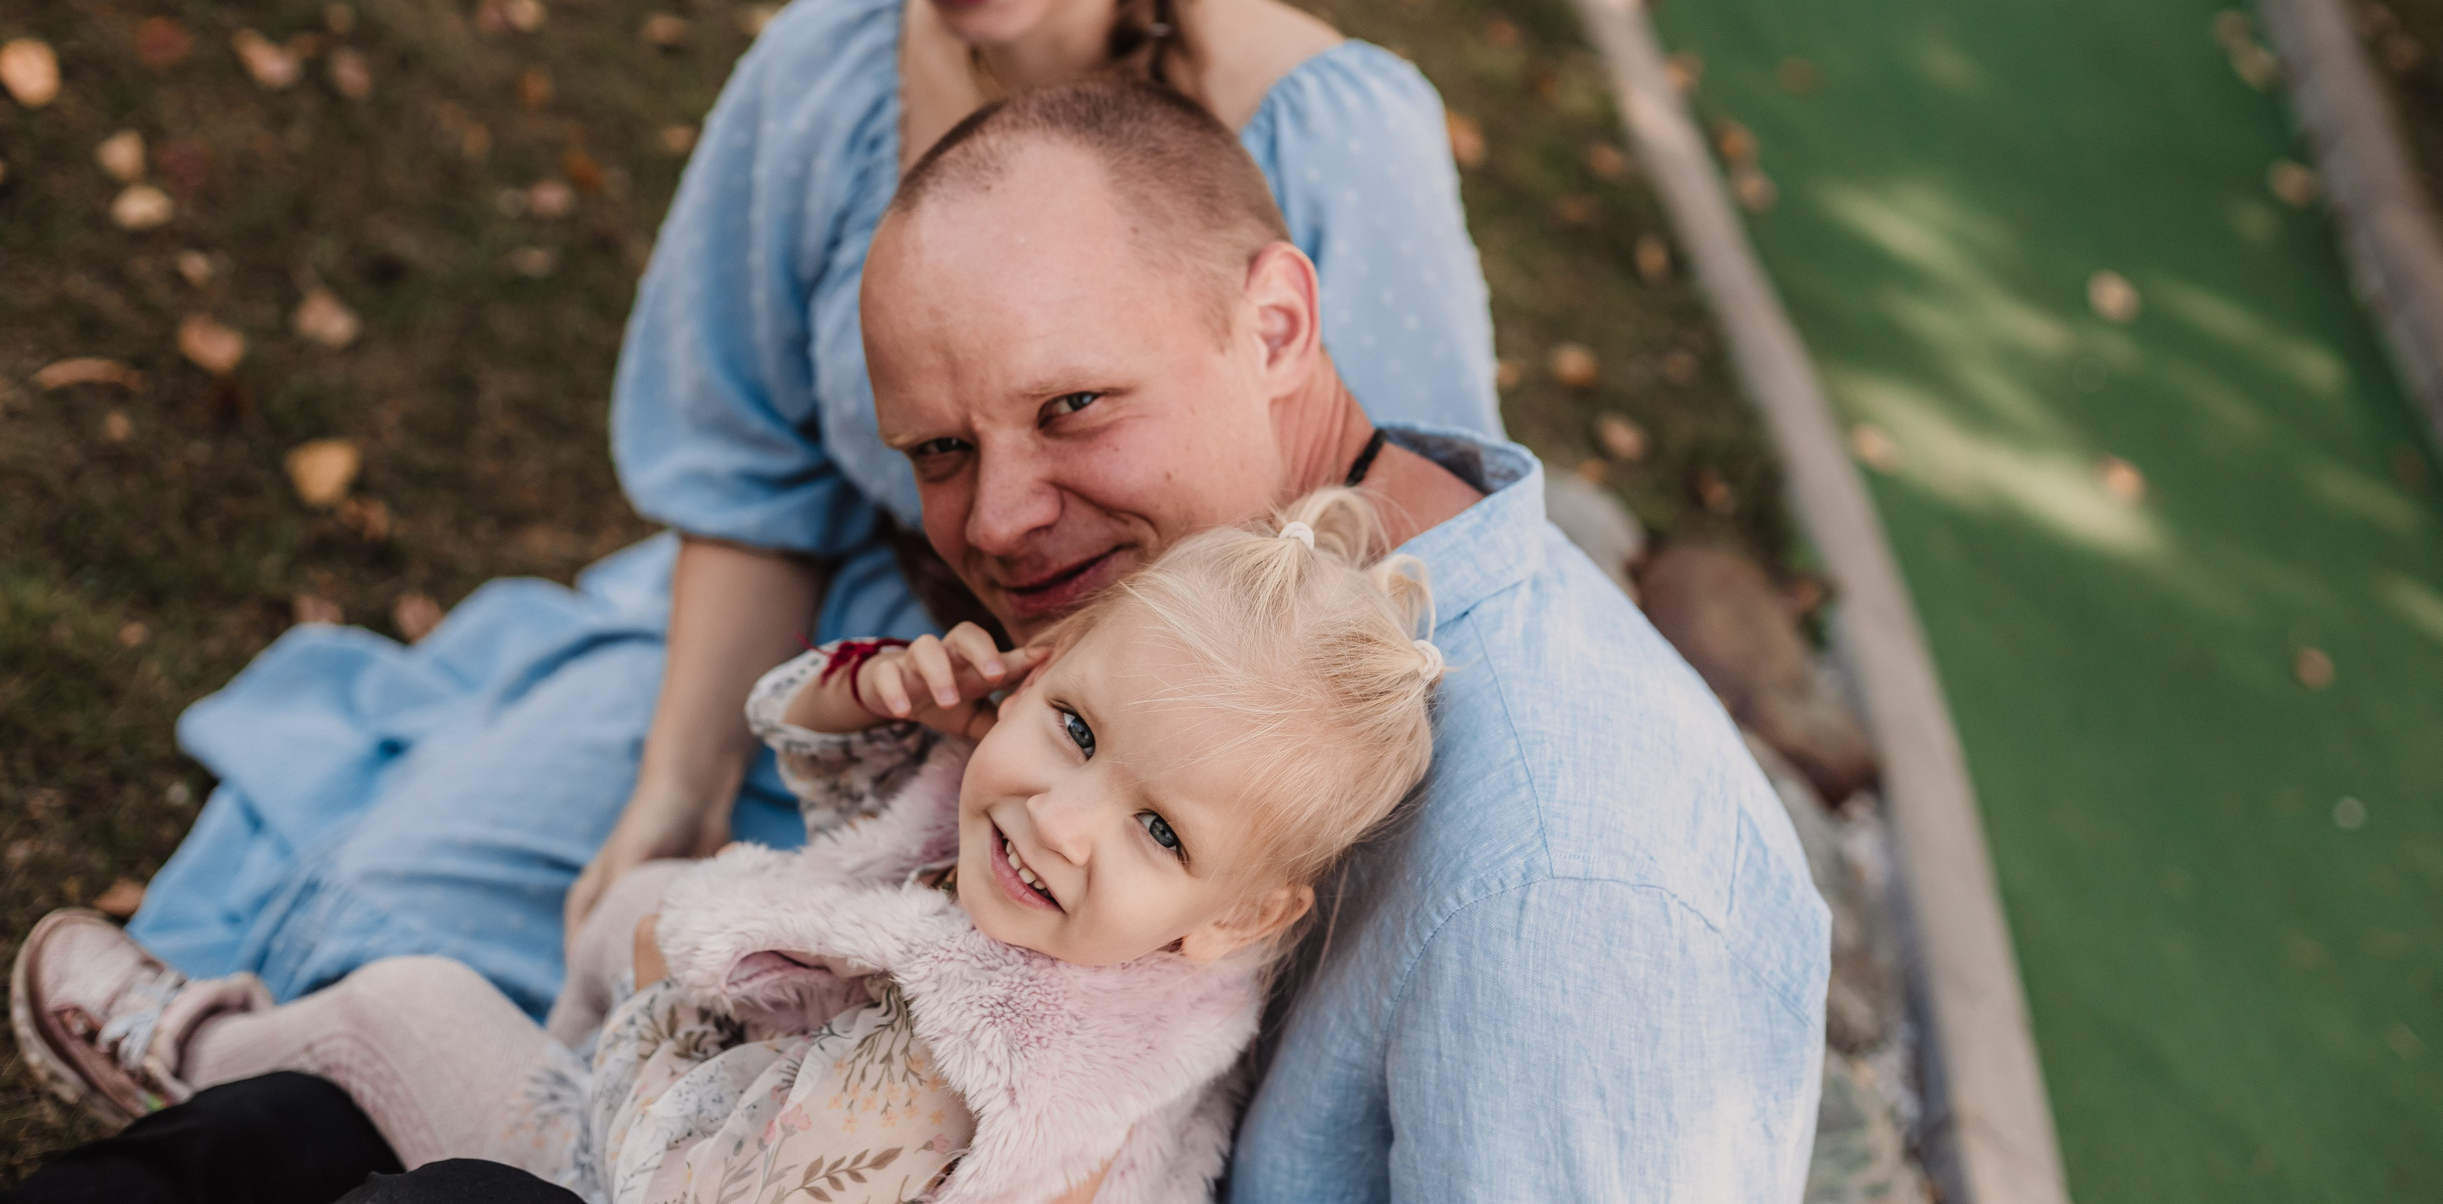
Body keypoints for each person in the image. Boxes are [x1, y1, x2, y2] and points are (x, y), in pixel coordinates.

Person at [118, 0, 1501, 1022]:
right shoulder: (829, 67)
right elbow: (748, 476)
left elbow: (1424, 582)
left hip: (1141, 794)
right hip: (840, 660)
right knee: (380, 927)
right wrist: (679, 787)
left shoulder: (1339, 134)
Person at [13, 80, 1826, 1199]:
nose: (1001, 524)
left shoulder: (1580, 877)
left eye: (1076, 408)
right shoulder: (1181, 633)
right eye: (944, 453)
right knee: (280, 1138)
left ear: (1278, 322)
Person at [17, 491, 1443, 1204]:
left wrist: (682, 991)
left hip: (646, 1175)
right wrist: (878, 682)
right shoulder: (1011, 848)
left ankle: (189, 1052)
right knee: (643, 901)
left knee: (414, 1011)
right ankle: (252, 1068)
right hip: (669, 1119)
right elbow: (816, 749)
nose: (1057, 820)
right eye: (1074, 728)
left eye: (1154, 828)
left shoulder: (1039, 1105)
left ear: (1235, 919)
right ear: (1036, 668)